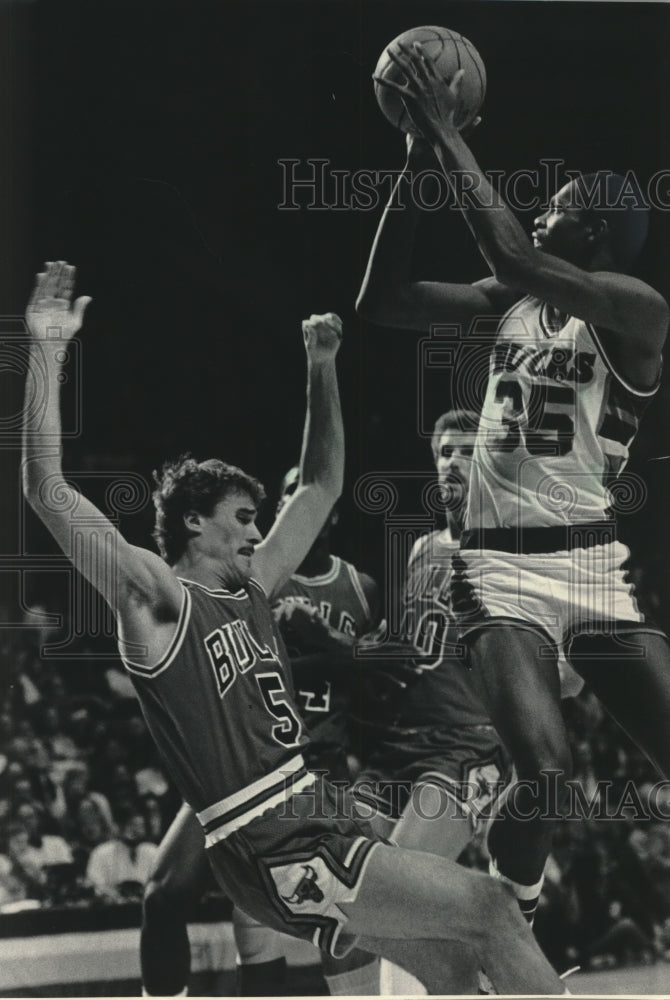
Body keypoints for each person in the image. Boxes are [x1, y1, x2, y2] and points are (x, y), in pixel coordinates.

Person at [21, 260, 566, 997]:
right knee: (495, 908)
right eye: (244, 519)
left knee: (453, 961)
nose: (259, 534)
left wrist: (322, 367)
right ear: (193, 523)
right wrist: (47, 351)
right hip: (271, 834)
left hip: (307, 814)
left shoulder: (250, 589)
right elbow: (47, 492)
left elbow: (320, 485)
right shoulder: (159, 599)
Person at [357, 42, 670, 931]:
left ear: (597, 236)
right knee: (548, 773)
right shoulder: (512, 302)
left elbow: (515, 252)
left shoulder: (639, 311)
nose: (540, 216)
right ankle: (513, 921)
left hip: (593, 568)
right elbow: (383, 298)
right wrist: (418, 165)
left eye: (560, 211)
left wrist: (447, 131)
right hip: (495, 571)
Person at [142, 471, 381, 998]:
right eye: (286, 496)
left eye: (301, 497)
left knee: (349, 914)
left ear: (328, 517)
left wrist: (323, 641)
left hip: (322, 763)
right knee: (171, 896)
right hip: (244, 765)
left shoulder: (358, 588)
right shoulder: (245, 573)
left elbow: (379, 675)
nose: (287, 510)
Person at [355, 408, 512, 995]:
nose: (453, 460)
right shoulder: (422, 549)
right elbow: (409, 651)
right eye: (445, 451)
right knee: (334, 879)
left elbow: (560, 673)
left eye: (468, 450)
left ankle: (489, 968)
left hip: (467, 747)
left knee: (388, 891)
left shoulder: (508, 550)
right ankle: (470, 978)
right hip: (401, 745)